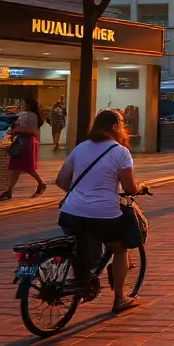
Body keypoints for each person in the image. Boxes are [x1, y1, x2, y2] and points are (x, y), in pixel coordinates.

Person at [55, 109, 146, 314]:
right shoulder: (120, 152)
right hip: (103, 214)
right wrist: (140, 187)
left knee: (78, 245)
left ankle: (83, 281)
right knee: (120, 248)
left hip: (70, 212)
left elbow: (61, 180)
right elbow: (130, 188)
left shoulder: (80, 148)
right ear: (115, 127)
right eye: (122, 123)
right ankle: (120, 298)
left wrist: (80, 194)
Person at [0, 98, 46, 200]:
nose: (23, 105)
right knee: (16, 167)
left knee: (27, 167)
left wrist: (19, 129)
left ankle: (41, 183)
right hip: (20, 141)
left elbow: (33, 131)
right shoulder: (23, 114)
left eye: (25, 103)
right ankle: (9, 190)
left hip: (26, 142)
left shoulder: (32, 116)